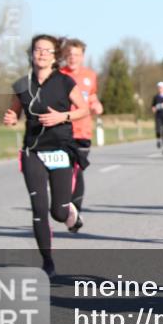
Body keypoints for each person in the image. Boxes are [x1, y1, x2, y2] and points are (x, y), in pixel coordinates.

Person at [4, 35, 90, 276]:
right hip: (33, 151)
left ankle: (70, 210)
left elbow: (83, 110)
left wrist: (62, 117)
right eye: (37, 50)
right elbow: (14, 111)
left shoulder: (65, 82)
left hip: (60, 149)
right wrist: (11, 117)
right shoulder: (21, 85)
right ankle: (47, 261)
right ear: (31, 54)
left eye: (47, 51)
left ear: (55, 56)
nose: (41, 54)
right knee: (39, 208)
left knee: (58, 212)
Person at [59, 38, 104, 217]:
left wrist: (96, 104)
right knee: (64, 170)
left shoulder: (90, 75)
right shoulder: (58, 75)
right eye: (69, 54)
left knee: (77, 169)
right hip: (61, 130)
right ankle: (65, 205)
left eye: (76, 54)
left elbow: (91, 96)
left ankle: (75, 210)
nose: (73, 58)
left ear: (83, 56)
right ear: (64, 55)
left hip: (83, 130)